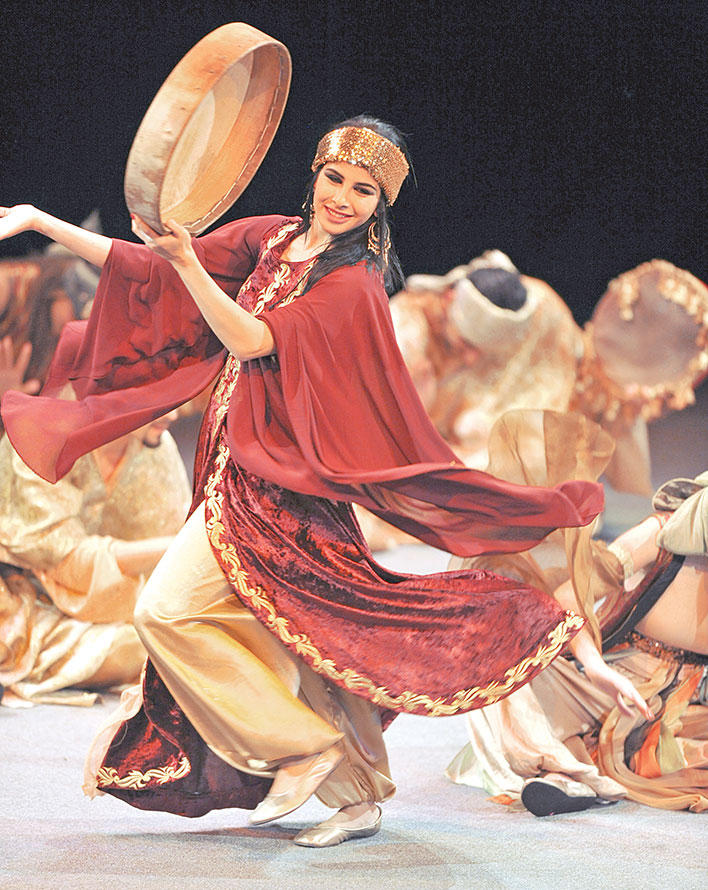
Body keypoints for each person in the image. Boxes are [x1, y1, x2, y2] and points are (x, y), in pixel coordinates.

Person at [0, 116, 603, 846]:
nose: (342, 198)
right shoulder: (274, 238)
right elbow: (151, 267)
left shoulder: (352, 283)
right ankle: (359, 796)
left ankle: (300, 746)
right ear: (315, 174)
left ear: (381, 204)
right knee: (312, 643)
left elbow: (250, 338)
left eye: (363, 190)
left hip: (277, 493)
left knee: (167, 612)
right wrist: (41, 220)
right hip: (235, 468)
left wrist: (190, 266)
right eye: (335, 178)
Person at [446, 427, 708, 814]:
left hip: (685, 709)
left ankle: (569, 773)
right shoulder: (662, 533)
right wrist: (596, 666)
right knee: (496, 647)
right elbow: (570, 596)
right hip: (609, 682)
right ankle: (564, 771)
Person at [0, 409, 190, 706]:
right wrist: (179, 545)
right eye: (161, 396)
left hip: (114, 605)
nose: (174, 414)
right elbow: (66, 560)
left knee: (186, 641)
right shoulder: (45, 435)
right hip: (23, 598)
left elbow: (175, 555)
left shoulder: (158, 445)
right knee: (149, 651)